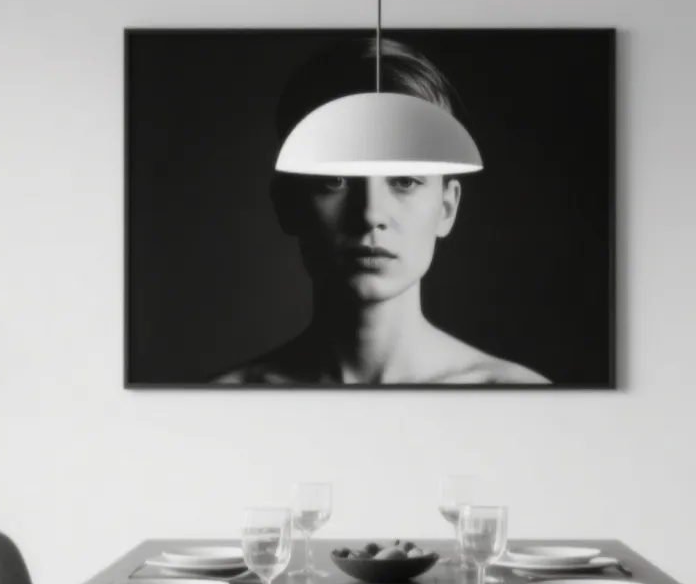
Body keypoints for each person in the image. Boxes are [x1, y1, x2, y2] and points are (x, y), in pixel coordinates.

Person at [213, 36, 549, 385]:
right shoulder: (225, 404)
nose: (370, 214)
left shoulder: (518, 398)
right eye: (335, 179)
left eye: (404, 181)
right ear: (288, 204)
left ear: (447, 208)